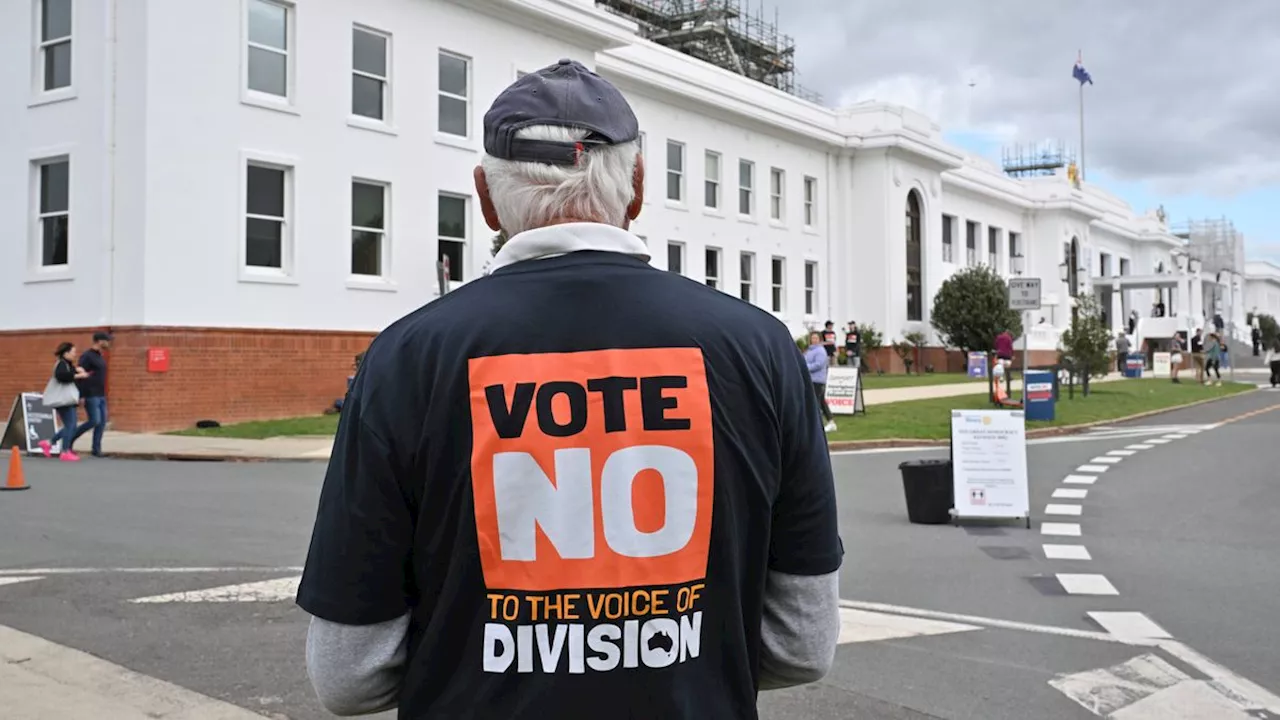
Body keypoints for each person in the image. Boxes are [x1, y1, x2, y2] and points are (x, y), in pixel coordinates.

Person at [296, 59, 842, 719]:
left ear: (486, 196)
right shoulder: (760, 350)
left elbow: (348, 675)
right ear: (637, 188)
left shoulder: (408, 358)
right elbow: (802, 645)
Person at [38, 342, 89, 462]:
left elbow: (71, 374)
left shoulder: (67, 364)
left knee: (70, 426)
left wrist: (78, 371)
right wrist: (79, 375)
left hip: (67, 399)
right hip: (63, 400)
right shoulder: (61, 364)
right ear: (66, 353)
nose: (74, 355)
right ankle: (65, 451)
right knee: (70, 425)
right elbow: (62, 376)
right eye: (73, 352)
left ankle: (49, 442)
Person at [72, 331, 112, 457]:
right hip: (90, 394)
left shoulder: (100, 356)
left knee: (102, 422)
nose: (109, 343)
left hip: (101, 394)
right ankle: (69, 438)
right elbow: (80, 376)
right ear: (99, 341)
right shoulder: (87, 356)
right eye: (107, 340)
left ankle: (96, 448)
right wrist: (81, 395)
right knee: (94, 420)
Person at [804, 332, 837, 433]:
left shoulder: (820, 351)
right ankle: (831, 422)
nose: (814, 340)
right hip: (810, 379)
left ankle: (817, 425)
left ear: (819, 339)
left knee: (815, 402)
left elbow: (818, 364)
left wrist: (805, 367)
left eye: (816, 338)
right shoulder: (809, 350)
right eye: (812, 338)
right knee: (821, 402)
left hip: (817, 380)